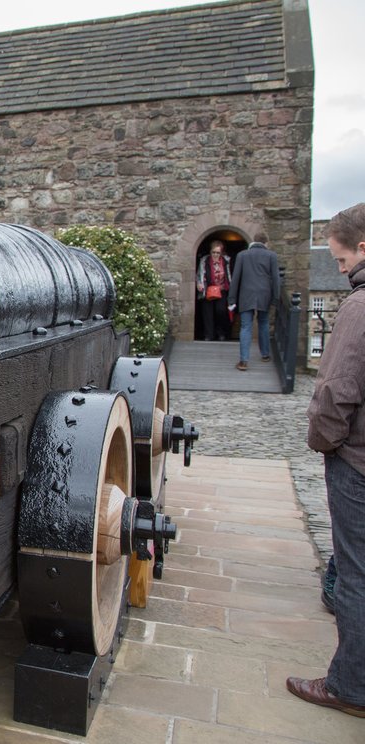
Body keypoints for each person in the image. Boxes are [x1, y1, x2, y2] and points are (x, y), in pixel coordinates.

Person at [288, 202, 365, 717]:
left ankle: (349, 686)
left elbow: (337, 389)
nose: (339, 271)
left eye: (340, 262)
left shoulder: (359, 307)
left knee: (356, 576)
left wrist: (323, 441)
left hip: (357, 462)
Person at [226, 232, 280, 371]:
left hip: (246, 295)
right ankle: (265, 354)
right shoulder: (271, 256)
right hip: (264, 295)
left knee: (245, 327)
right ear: (265, 243)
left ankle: (244, 361)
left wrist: (231, 298)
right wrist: (276, 298)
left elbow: (235, 278)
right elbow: (276, 279)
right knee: (263, 323)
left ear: (253, 241)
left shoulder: (242, 255)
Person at [196, 240, 232, 341]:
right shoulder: (204, 260)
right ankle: (209, 335)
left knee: (220, 311)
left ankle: (221, 333)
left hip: (222, 290)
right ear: (210, 251)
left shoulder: (226, 261)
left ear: (221, 252)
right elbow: (199, 274)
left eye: (218, 252)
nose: (215, 255)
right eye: (213, 252)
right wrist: (199, 283)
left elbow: (229, 275)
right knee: (207, 313)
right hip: (208, 290)